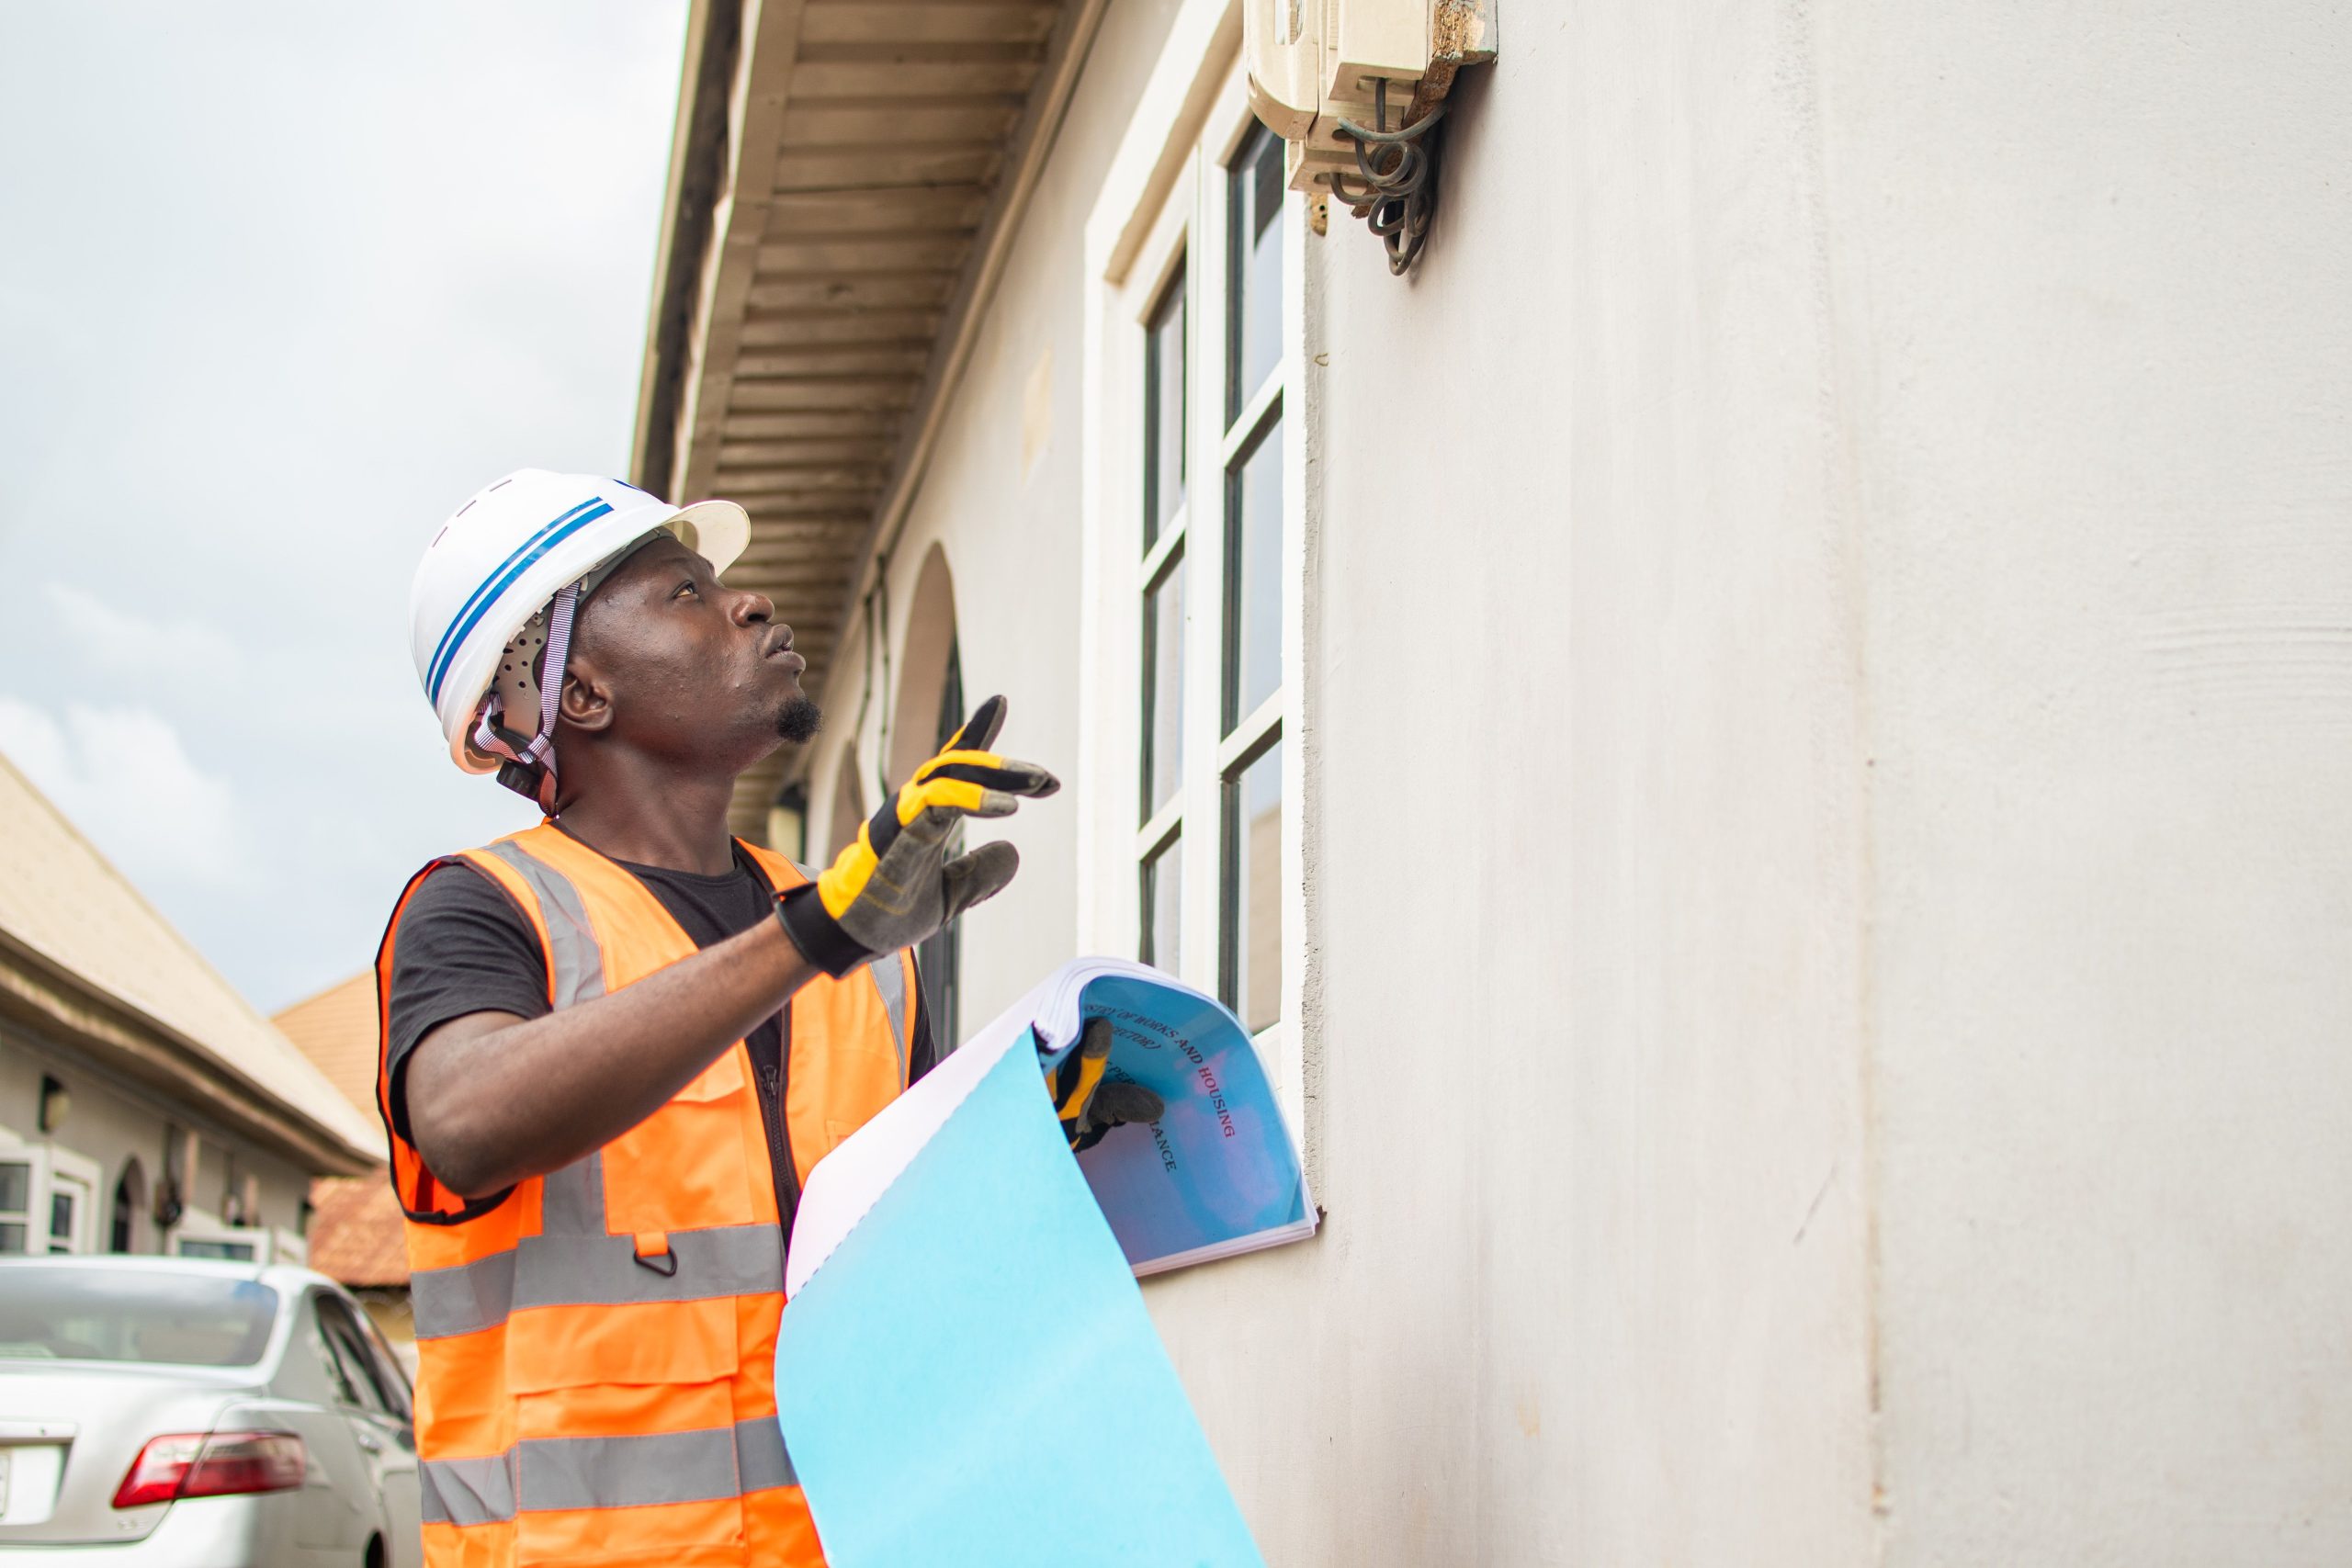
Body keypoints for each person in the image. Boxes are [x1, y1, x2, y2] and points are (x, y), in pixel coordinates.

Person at [378, 469, 1102, 1568]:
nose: (750, 604)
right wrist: (812, 937)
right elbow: (467, 1122)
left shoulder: (857, 933)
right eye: (683, 594)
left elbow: (911, 1255)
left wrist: (1065, 1132)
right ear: (580, 696)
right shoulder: (481, 910)